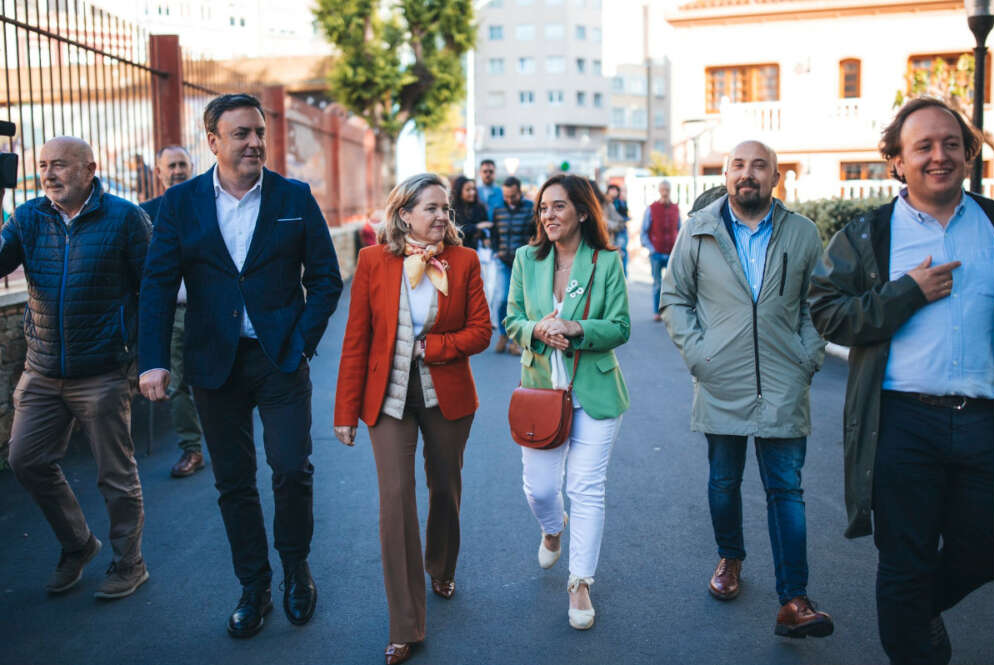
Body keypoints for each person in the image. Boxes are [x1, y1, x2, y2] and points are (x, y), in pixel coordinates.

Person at [138, 94, 343, 638]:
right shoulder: (180, 204)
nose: (254, 142)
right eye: (241, 134)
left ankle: (296, 568)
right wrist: (153, 360)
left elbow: (326, 279)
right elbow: (156, 286)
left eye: (259, 132)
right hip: (213, 362)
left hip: (279, 360)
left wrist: (301, 341)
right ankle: (254, 586)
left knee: (291, 469)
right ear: (212, 141)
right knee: (233, 482)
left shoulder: (294, 197)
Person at [809, 97, 994, 665]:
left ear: (968, 155)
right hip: (901, 423)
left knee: (985, 551)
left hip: (985, 421)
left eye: (952, 144)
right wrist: (905, 293)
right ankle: (917, 645)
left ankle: (916, 613)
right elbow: (828, 313)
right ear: (895, 161)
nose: (939, 156)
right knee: (904, 563)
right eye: (923, 146)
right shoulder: (869, 235)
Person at [660, 140, 834, 639]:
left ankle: (794, 600)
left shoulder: (802, 233)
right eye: (739, 165)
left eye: (760, 166)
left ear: (776, 177)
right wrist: (700, 356)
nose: (748, 174)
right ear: (727, 174)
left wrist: (808, 355)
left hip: (784, 377)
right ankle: (730, 557)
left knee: (786, 490)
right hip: (721, 377)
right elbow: (675, 299)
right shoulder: (698, 230)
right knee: (723, 482)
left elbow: (814, 305)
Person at [334, 173, 491, 664]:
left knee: (445, 487)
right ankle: (406, 625)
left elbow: (482, 331)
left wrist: (434, 347)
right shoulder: (372, 262)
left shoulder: (463, 262)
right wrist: (346, 412)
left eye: (445, 208)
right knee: (395, 503)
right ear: (405, 214)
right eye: (431, 208)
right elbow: (356, 339)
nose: (443, 216)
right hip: (388, 398)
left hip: (447, 397)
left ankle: (442, 564)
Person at [4, 136, 151, 599]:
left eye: (61, 165)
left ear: (90, 169)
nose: (49, 174)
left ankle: (130, 563)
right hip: (42, 369)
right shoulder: (29, 217)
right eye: (43, 165)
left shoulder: (126, 218)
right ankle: (78, 544)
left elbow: (154, 291)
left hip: (102, 371)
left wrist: (148, 362)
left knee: (116, 475)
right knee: (25, 459)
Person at [504, 173, 630, 631]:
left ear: (581, 211)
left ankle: (580, 582)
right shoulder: (526, 259)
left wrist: (577, 330)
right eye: (543, 208)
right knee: (539, 488)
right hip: (540, 391)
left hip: (595, 391)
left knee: (586, 487)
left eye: (558, 206)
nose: (548, 215)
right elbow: (511, 319)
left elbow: (620, 327)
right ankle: (552, 529)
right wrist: (536, 329)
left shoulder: (606, 262)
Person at [140, 145, 205, 478]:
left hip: (211, 309)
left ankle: (229, 443)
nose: (178, 170)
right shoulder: (144, 214)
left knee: (221, 379)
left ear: (191, 167)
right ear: (159, 172)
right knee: (177, 383)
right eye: (171, 165)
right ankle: (191, 449)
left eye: (183, 164)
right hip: (175, 313)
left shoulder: (206, 205)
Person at [492, 176, 535, 355]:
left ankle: (516, 340)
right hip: (503, 260)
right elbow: (495, 233)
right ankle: (504, 334)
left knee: (521, 302)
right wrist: (496, 250)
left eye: (513, 196)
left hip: (523, 262)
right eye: (506, 196)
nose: (509, 200)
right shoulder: (498, 209)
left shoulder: (530, 208)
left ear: (520, 192)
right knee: (502, 299)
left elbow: (534, 232)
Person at [640, 181, 679, 321]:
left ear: (670, 190)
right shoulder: (651, 208)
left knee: (673, 285)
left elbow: (679, 230)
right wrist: (651, 249)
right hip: (656, 252)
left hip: (672, 253)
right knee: (657, 284)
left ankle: (670, 312)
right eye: (662, 189)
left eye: (667, 189)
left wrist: (678, 249)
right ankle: (657, 312)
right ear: (659, 190)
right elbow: (643, 232)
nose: (665, 191)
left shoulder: (676, 208)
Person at [450, 175, 490, 249]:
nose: (472, 192)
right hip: (459, 250)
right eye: (468, 190)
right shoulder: (452, 210)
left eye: (473, 189)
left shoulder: (480, 208)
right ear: (459, 191)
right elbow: (455, 233)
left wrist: (484, 235)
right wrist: (476, 227)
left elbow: (486, 228)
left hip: (478, 251)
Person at [606, 183, 630, 278]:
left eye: (615, 190)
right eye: (612, 189)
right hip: (610, 232)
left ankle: (624, 275)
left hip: (621, 231)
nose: (614, 192)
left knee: (622, 253)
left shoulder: (621, 202)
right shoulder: (605, 203)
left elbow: (624, 217)